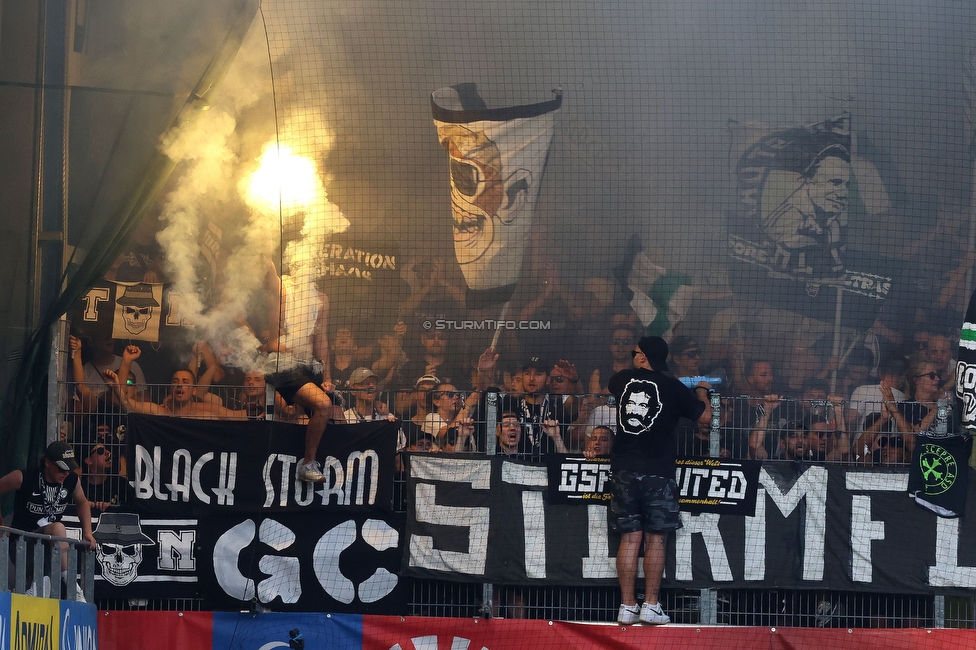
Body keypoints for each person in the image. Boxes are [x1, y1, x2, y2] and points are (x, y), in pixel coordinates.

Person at [609, 336, 708, 626]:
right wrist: (702, 392)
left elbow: (608, 389)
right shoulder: (674, 387)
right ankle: (650, 605)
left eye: (636, 353)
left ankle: (627, 607)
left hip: (624, 470)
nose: (633, 356)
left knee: (630, 538)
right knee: (655, 539)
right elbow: (706, 418)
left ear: (644, 357)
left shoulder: (621, 380)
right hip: (658, 472)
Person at [0, 442, 96, 601]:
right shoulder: (23, 477)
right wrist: (2, 524)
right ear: (47, 463)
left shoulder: (72, 479)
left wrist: (87, 532)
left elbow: (82, 502)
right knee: (58, 528)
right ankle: (72, 586)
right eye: (61, 469)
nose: (65, 473)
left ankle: (37, 587)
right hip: (22, 545)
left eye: (69, 469)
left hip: (51, 549)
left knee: (58, 534)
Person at [78, 442, 127, 513]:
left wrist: (111, 507)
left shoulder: (120, 483)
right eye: (100, 451)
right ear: (88, 460)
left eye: (106, 449)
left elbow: (130, 506)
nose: (108, 452)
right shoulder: (79, 486)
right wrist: (83, 505)